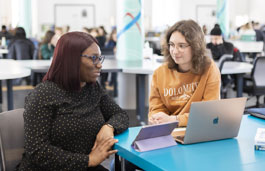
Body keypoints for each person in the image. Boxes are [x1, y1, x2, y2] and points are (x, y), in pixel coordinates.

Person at [17, 32, 129, 171]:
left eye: (99, 58)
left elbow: (121, 115)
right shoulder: (43, 95)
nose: (99, 65)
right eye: (93, 58)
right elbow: (38, 152)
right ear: (71, 60)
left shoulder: (92, 88)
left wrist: (109, 127)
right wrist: (88, 160)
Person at [148, 20, 221, 127]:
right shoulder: (159, 73)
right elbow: (156, 108)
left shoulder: (209, 69)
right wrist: (158, 118)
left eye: (181, 46)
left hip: (199, 128)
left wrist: (174, 119)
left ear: (196, 46)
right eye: (172, 45)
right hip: (167, 130)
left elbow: (209, 112)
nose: (175, 51)